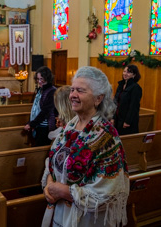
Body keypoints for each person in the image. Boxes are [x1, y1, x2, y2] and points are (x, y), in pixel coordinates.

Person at [41, 66, 129, 227]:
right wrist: (49, 183)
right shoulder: (71, 125)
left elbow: (107, 193)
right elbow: (54, 159)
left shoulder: (106, 136)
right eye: (72, 89)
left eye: (80, 91)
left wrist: (62, 191)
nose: (73, 95)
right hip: (60, 213)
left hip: (87, 220)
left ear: (98, 98)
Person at [24, 66, 57, 146]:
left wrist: (32, 124)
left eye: (41, 79)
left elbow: (46, 111)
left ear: (47, 78)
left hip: (45, 127)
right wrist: (30, 122)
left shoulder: (52, 91)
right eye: (38, 79)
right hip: (38, 125)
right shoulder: (41, 90)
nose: (39, 81)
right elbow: (35, 109)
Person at [112, 64, 142, 135]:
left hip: (127, 121)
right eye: (124, 71)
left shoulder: (135, 87)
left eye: (128, 72)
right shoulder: (120, 85)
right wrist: (113, 117)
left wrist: (127, 121)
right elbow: (115, 102)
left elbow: (133, 106)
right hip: (118, 119)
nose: (125, 74)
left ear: (134, 74)